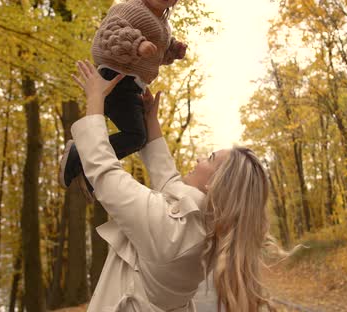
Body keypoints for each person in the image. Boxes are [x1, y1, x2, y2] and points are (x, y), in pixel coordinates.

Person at [68, 60, 276, 312]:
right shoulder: (204, 227)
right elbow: (170, 182)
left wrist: (95, 98)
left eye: (209, 159)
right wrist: (150, 119)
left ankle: (71, 161)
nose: (200, 159)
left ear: (214, 185)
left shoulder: (170, 231)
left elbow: (104, 173)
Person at [59, 0, 187, 193]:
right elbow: (111, 32)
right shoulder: (130, 9)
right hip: (114, 79)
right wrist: (138, 45)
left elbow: (158, 51)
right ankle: (78, 155)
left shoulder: (163, 24)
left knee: (139, 135)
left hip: (132, 85)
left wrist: (173, 50)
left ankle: (87, 171)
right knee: (136, 136)